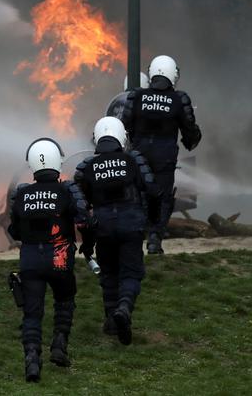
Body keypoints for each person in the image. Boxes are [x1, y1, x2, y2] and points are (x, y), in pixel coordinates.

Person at [8, 138, 95, 383]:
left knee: (32, 314)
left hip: (31, 261)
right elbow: (84, 221)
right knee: (65, 302)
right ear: (58, 160)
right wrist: (88, 244)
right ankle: (59, 346)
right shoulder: (67, 189)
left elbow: (14, 231)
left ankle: (32, 362)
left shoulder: (22, 193)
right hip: (60, 258)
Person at [74, 117, 161, 345]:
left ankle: (111, 321)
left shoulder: (86, 167)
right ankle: (124, 308)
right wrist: (152, 220)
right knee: (131, 274)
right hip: (131, 224)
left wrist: (88, 239)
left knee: (109, 274)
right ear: (122, 137)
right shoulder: (133, 160)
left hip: (103, 227)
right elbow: (153, 191)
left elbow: (81, 208)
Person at [121, 55, 202, 254]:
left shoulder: (136, 96)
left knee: (138, 195)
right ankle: (155, 240)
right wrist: (191, 140)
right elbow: (189, 130)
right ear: (173, 75)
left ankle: (134, 239)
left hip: (138, 154)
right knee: (163, 197)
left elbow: (124, 126)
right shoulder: (179, 98)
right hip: (164, 156)